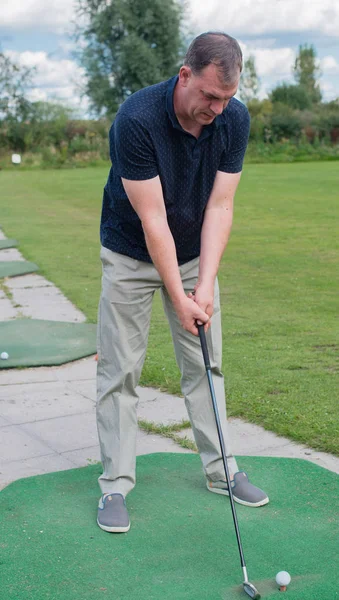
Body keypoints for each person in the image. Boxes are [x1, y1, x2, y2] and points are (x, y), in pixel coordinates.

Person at [96, 31, 269, 533]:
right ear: (185, 74)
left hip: (194, 253)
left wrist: (205, 286)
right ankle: (115, 486)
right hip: (130, 252)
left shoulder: (233, 118)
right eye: (209, 96)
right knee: (121, 370)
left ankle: (223, 472)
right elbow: (152, 224)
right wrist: (178, 295)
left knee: (206, 365)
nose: (216, 108)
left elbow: (221, 205)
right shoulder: (136, 119)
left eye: (227, 98)